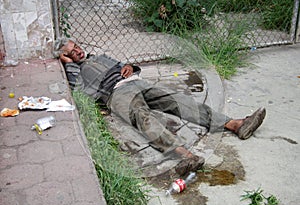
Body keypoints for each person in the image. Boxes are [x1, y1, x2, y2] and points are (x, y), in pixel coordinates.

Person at [53, 38, 266, 176]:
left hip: (137, 83)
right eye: (71, 52)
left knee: (177, 100)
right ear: (65, 57)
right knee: (142, 117)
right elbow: (79, 89)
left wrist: (129, 67)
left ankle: (235, 124)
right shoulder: (76, 71)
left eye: (77, 47)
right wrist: (68, 63)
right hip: (115, 94)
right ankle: (185, 156)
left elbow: (123, 65)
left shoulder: (99, 56)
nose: (78, 52)